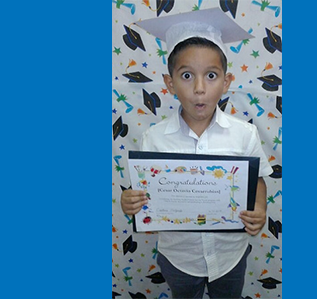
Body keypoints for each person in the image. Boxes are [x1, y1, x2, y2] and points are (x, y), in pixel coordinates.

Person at [121, 8, 274, 299]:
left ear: (226, 82)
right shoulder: (153, 139)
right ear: (169, 84)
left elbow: (258, 179)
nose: (200, 88)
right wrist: (127, 200)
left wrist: (260, 208)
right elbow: (139, 190)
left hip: (230, 256)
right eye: (187, 75)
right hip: (179, 258)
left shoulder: (245, 134)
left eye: (211, 75)